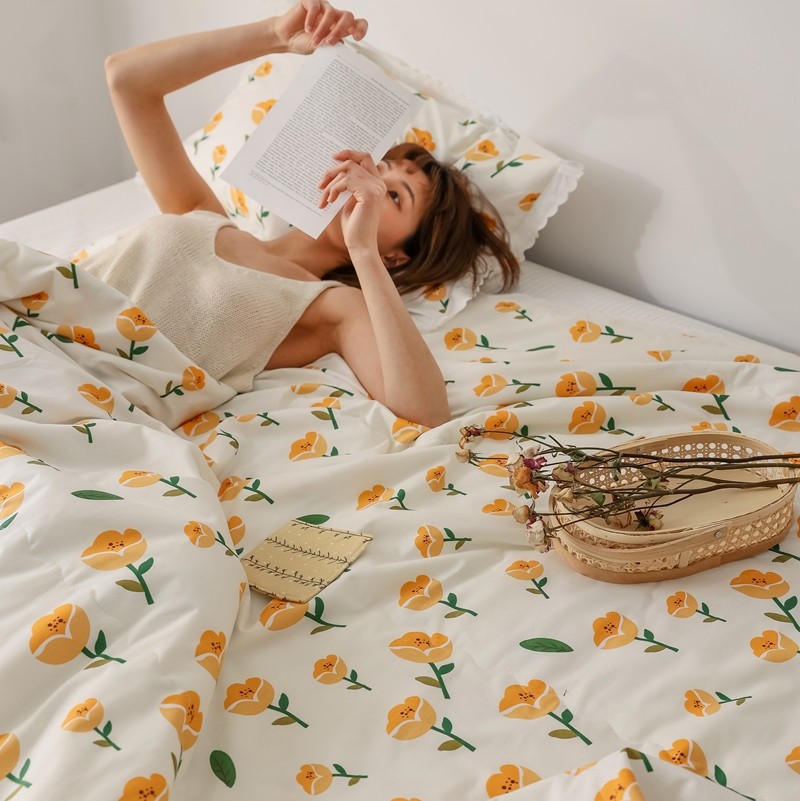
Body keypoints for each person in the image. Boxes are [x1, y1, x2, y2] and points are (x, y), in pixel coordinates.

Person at [88, 0, 518, 428]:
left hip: (92, 395)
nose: (366, 180)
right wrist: (273, 35)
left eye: (392, 196)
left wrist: (363, 252)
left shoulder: (333, 307)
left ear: (395, 256)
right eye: (378, 166)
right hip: (49, 317)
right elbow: (126, 79)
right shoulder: (199, 211)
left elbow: (427, 413)